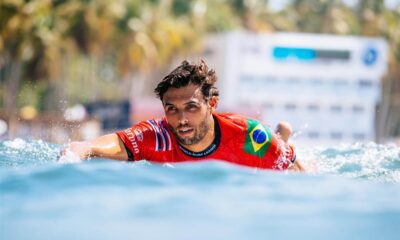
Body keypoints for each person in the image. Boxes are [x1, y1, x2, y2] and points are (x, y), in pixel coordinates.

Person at [62, 59, 304, 171]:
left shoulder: (252, 137)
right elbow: (112, 143)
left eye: (191, 107)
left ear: (212, 104)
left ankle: (283, 135)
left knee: (281, 147)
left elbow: (299, 176)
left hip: (260, 149)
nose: (182, 119)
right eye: (172, 110)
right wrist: (80, 149)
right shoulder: (156, 137)